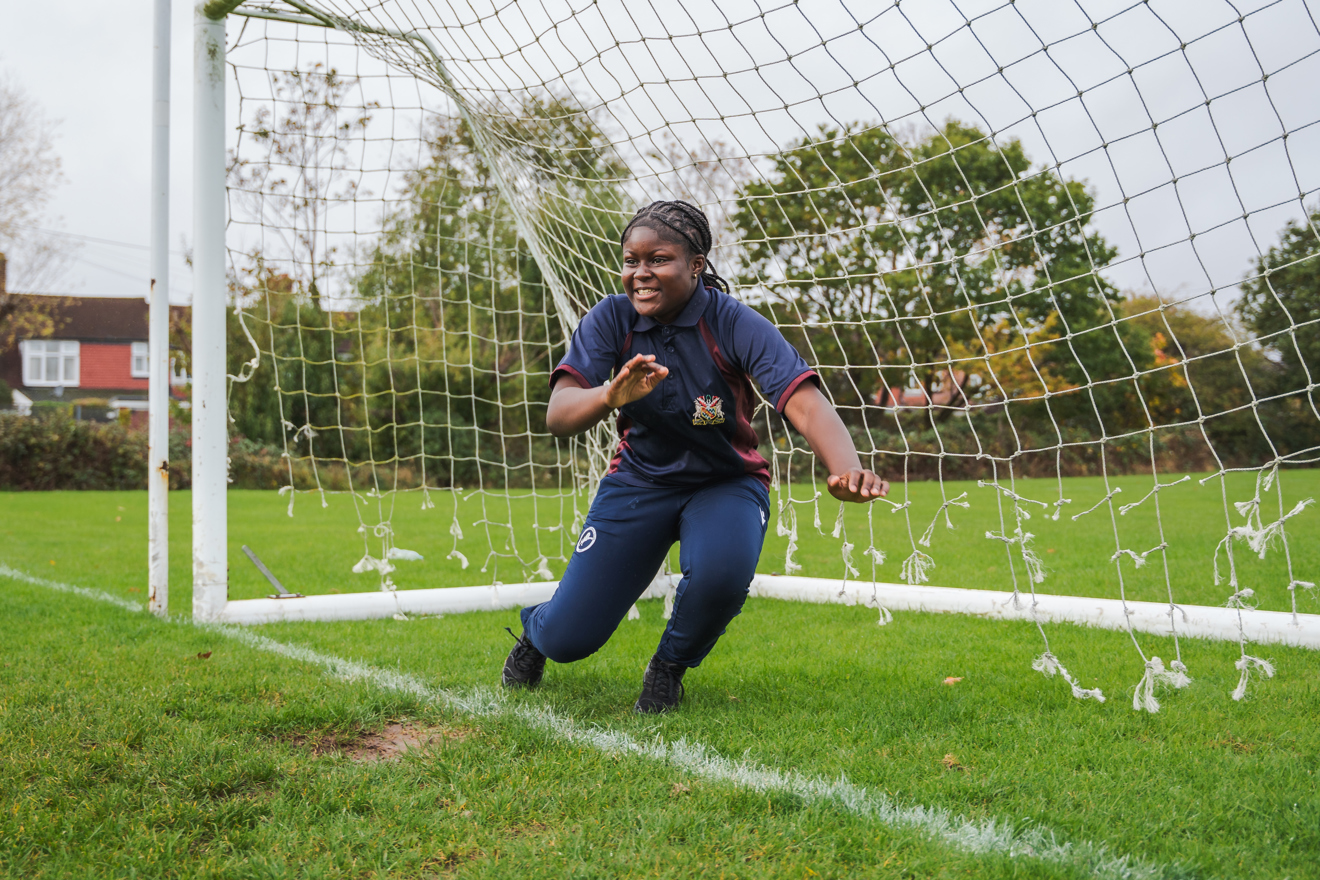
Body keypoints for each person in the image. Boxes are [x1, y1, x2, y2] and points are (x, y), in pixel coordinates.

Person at [502, 200, 889, 713]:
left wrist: (846, 469)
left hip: (724, 483)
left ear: (696, 264)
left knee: (721, 574)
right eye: (631, 261)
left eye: (658, 259)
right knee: (570, 639)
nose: (640, 273)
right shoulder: (611, 318)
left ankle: (669, 669)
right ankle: (538, 631)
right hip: (639, 482)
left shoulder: (733, 322)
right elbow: (558, 414)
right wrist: (608, 396)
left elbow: (804, 401)